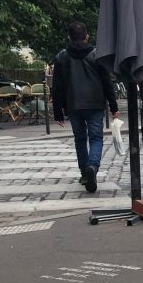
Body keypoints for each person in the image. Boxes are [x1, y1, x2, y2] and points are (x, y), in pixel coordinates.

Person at [52, 21, 119, 192]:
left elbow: (57, 86)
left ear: (69, 37)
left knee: (80, 140)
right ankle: (93, 167)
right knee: (96, 138)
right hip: (95, 103)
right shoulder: (97, 55)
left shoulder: (61, 56)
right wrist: (113, 106)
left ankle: (84, 173)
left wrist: (57, 111)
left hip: (73, 104)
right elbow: (106, 81)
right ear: (86, 36)